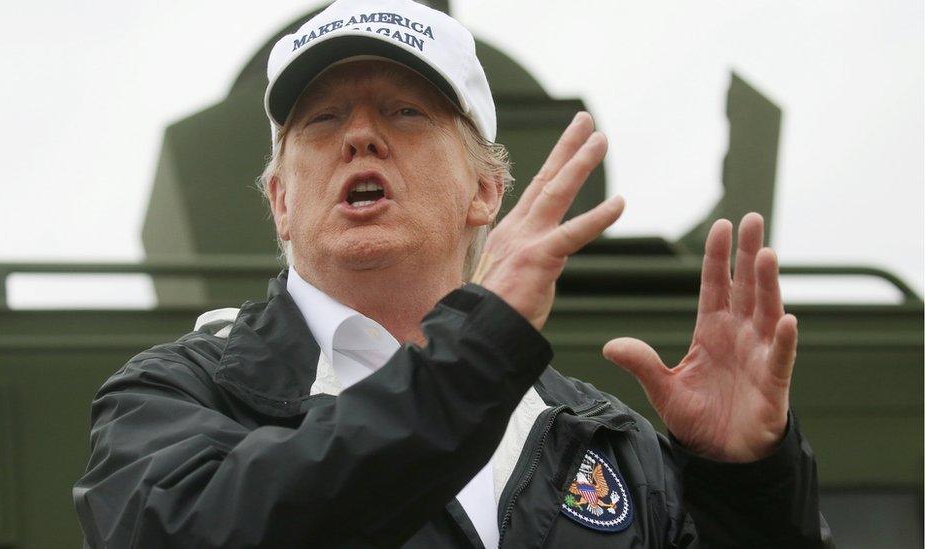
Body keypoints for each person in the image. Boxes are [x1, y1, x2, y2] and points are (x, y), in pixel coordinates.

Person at [73, 0, 833, 547]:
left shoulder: (603, 442)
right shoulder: (176, 397)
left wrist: (746, 492)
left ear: (485, 191)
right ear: (280, 198)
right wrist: (477, 352)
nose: (361, 136)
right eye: (323, 118)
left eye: (406, 112)